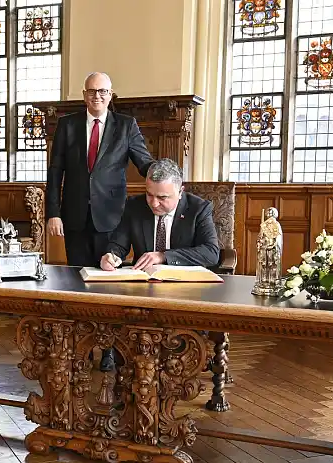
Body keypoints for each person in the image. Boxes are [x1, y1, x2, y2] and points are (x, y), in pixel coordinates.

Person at [46, 71, 155, 371]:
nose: (97, 96)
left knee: (108, 286)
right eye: (92, 91)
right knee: (77, 285)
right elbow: (56, 172)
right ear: (84, 95)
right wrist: (52, 212)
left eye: (103, 91)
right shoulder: (67, 125)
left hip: (112, 221)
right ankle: (80, 347)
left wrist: (163, 176)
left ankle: (108, 348)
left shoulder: (126, 126)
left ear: (111, 95)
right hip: (75, 218)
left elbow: (144, 162)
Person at [101, 158, 220, 272]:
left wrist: (163, 256)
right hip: (143, 282)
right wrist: (111, 256)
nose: (154, 203)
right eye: (149, 194)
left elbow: (211, 253)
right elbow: (119, 244)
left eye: (162, 197)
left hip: (185, 283)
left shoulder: (198, 209)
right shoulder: (134, 205)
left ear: (180, 192)